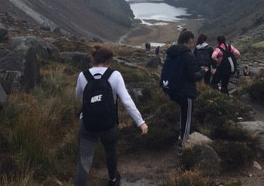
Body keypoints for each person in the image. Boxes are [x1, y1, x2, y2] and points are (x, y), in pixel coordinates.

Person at [75, 46, 148, 186]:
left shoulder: (82, 75)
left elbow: (78, 96)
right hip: (109, 124)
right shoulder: (115, 75)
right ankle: (113, 179)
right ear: (109, 61)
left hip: (87, 125)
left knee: (84, 160)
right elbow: (127, 101)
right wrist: (140, 122)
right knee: (110, 153)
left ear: (94, 58)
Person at [164, 30, 206, 151]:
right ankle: (183, 146)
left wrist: (165, 90)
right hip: (186, 92)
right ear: (190, 40)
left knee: (182, 115)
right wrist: (203, 72)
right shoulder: (189, 55)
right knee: (187, 118)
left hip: (173, 90)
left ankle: (179, 137)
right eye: (192, 41)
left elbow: (165, 71)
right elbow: (193, 77)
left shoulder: (171, 53)